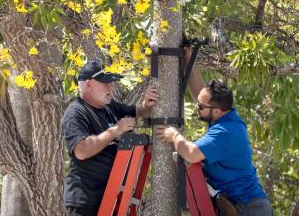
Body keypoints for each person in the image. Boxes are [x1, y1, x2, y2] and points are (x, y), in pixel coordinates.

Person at [155, 70, 272, 216]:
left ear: (216, 111)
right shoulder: (223, 117)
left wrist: (174, 136)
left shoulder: (226, 131)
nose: (197, 108)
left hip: (249, 208)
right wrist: (188, 58)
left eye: (200, 107)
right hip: (240, 206)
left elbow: (191, 154)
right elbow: (202, 95)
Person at [61, 59, 159, 216]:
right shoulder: (75, 112)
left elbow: (140, 112)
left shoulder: (110, 106)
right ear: (88, 84)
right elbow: (81, 150)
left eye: (112, 82)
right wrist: (115, 131)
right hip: (87, 201)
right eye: (105, 82)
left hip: (112, 198)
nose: (111, 86)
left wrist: (147, 104)